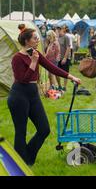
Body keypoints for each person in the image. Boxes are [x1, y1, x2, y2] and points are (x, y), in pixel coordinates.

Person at [8, 24, 80, 166]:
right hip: (19, 96)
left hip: (33, 94)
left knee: (44, 129)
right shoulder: (17, 58)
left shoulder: (36, 53)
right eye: (35, 38)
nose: (38, 40)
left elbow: (51, 67)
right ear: (27, 41)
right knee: (20, 132)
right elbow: (23, 79)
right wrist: (34, 62)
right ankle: (21, 164)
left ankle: (27, 156)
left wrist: (71, 76)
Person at [56, 26, 71, 91]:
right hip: (57, 58)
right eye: (57, 30)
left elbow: (68, 48)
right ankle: (59, 86)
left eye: (59, 30)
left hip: (64, 58)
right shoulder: (56, 38)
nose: (58, 31)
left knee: (65, 73)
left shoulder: (66, 37)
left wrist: (65, 58)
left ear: (61, 30)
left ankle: (64, 87)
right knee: (56, 72)